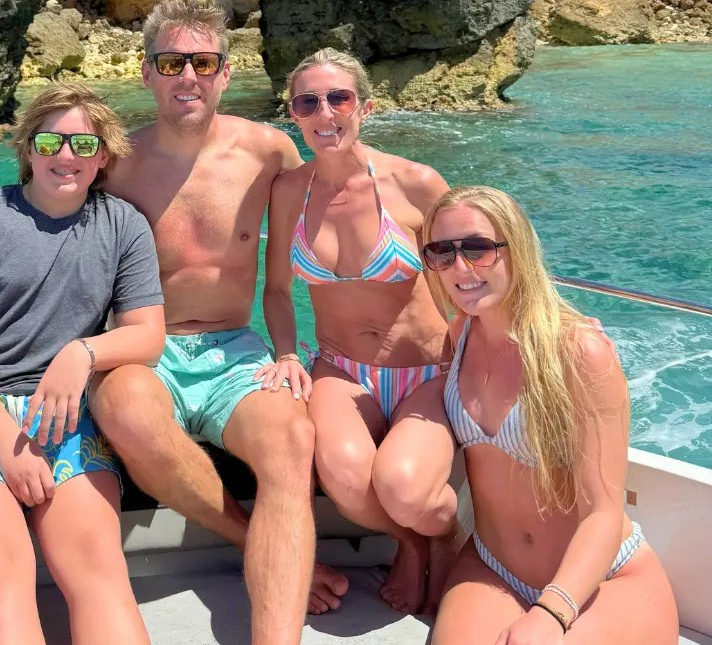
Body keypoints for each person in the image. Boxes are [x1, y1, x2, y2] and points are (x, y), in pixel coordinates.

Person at [89, 0, 349, 645]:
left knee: (292, 441)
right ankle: (247, 536)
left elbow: (328, 231)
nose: (188, 77)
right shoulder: (114, 163)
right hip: (147, 347)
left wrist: (293, 352)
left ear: (226, 74)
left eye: (203, 62)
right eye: (172, 62)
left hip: (235, 348)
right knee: (123, 410)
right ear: (145, 72)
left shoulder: (268, 151)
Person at [0, 84, 165, 645]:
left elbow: (147, 336)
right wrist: (5, 441)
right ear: (28, 148)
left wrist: (81, 353)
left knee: (100, 574)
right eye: (51, 140)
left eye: (84, 143)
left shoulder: (123, 225)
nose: (66, 155)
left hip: (63, 414)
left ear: (103, 156)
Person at [424, 186, 678, 645]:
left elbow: (603, 512)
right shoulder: (460, 333)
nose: (460, 268)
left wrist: (549, 613)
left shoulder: (580, 352)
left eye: (478, 249)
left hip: (600, 582)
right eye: (442, 253)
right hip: (492, 568)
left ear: (516, 248)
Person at [262, 48, 457, 616]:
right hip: (341, 367)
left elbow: (478, 267)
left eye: (338, 98)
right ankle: (414, 544)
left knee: (402, 486)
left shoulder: (416, 184)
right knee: (347, 482)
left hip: (426, 370)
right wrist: (286, 353)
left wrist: (546, 324)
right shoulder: (288, 191)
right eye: (307, 102)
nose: (325, 112)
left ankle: (443, 535)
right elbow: (275, 291)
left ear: (364, 107)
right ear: (293, 116)